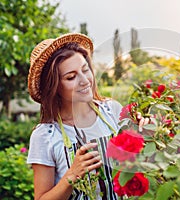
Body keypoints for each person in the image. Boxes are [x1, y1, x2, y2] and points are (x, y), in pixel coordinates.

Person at [26, 33, 147, 200]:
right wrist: (72, 176)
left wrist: (143, 132)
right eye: (71, 77)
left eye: (85, 70)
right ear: (54, 87)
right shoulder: (45, 136)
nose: (85, 81)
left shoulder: (112, 110)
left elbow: (139, 161)